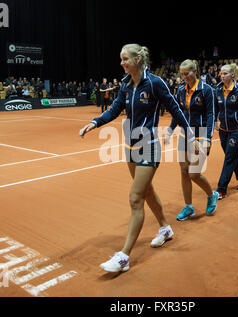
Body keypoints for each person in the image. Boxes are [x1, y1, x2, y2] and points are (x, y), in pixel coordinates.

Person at [79, 43, 195, 273]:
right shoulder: (125, 84)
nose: (121, 63)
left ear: (137, 60)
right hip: (130, 147)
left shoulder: (155, 83)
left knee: (135, 198)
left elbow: (175, 108)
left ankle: (124, 257)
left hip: (149, 147)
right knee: (147, 191)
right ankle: (165, 228)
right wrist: (95, 122)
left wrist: (190, 133)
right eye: (121, 59)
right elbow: (114, 110)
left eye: (125, 59)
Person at [164, 59, 218, 221]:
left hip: (200, 134)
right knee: (184, 171)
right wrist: (170, 129)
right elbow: (178, 112)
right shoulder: (181, 90)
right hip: (184, 134)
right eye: (182, 74)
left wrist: (208, 138)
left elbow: (211, 115)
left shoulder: (206, 90)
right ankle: (188, 206)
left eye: (186, 74)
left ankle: (211, 194)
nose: (184, 77)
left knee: (194, 173)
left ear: (195, 71)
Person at [215, 64, 238, 199]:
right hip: (223, 130)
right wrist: (215, 121)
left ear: (232, 75)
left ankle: (221, 189)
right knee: (232, 156)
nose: (222, 75)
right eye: (221, 73)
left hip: (237, 130)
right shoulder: (218, 89)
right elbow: (215, 107)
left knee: (229, 158)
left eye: (225, 73)